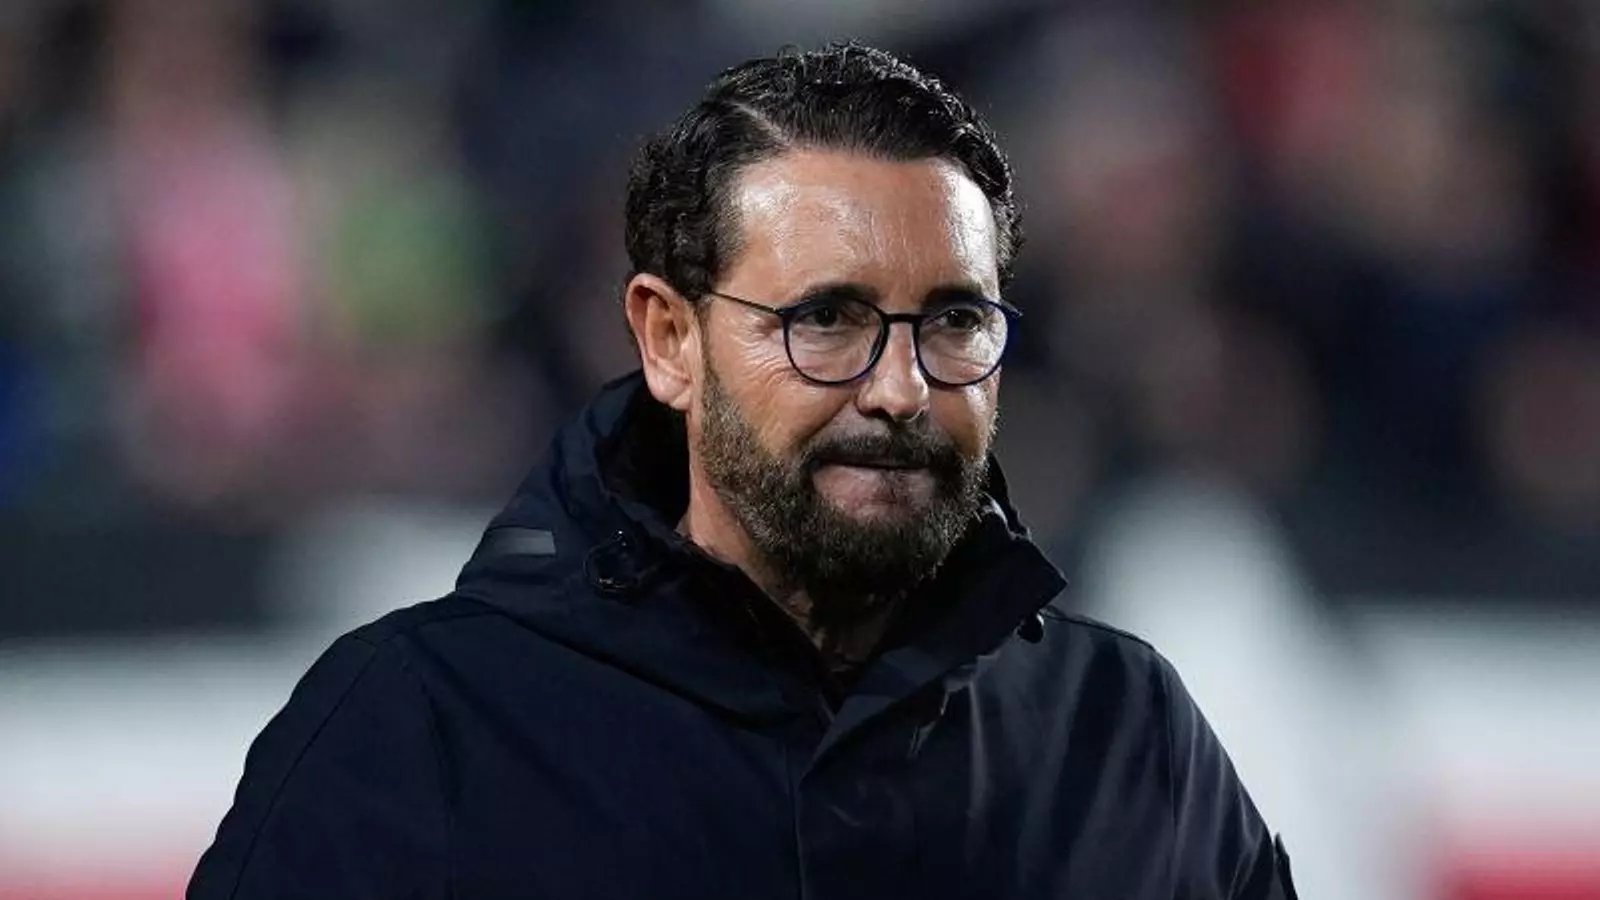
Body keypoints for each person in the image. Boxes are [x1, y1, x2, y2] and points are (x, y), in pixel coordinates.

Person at [189, 42, 1298, 899]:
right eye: (826, 320)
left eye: (954, 322)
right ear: (669, 340)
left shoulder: (1124, 737)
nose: (901, 388)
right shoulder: (417, 735)